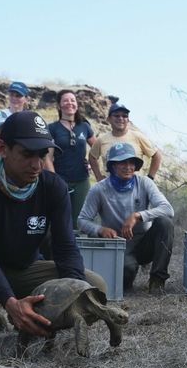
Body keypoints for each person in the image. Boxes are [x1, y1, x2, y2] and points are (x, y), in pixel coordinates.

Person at [0, 111, 106, 336]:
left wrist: (75, 293)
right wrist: (9, 301)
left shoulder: (54, 187)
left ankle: (36, 323)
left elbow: (65, 246)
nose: (36, 165)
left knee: (94, 287)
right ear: (3, 148)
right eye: (27, 154)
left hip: (24, 272)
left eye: (42, 155)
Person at [79, 142, 175, 292]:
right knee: (124, 280)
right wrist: (100, 230)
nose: (128, 166)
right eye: (122, 162)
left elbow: (168, 209)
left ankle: (157, 281)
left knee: (165, 223)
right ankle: (129, 270)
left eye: (131, 162)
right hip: (118, 244)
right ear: (112, 166)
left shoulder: (145, 183)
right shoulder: (99, 189)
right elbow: (82, 221)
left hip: (144, 242)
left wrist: (138, 216)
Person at [47, 90, 95, 219]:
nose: (70, 103)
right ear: (59, 106)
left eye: (73, 100)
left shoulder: (84, 127)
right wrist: (55, 180)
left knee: (80, 219)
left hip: (82, 180)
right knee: (60, 217)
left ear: (77, 105)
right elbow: (47, 158)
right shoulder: (52, 128)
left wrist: (91, 164)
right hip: (61, 179)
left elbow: (97, 150)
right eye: (66, 100)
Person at [88, 102, 163, 181]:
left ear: (128, 120)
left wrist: (150, 177)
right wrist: (98, 176)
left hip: (135, 188)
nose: (120, 118)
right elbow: (92, 157)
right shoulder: (101, 140)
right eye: (116, 115)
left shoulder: (138, 137)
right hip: (110, 188)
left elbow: (156, 155)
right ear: (108, 119)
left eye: (124, 116)